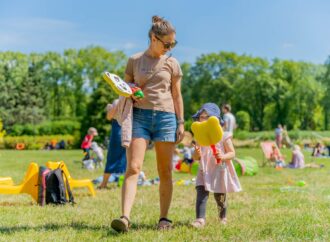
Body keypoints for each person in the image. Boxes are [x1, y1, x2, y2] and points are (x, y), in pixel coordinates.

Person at [111, 15, 184, 233]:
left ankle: (164, 219)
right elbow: (123, 87)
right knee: (133, 168)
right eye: (167, 44)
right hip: (140, 117)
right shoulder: (134, 60)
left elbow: (177, 95)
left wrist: (180, 122)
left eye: (173, 44)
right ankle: (124, 218)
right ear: (154, 38)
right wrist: (130, 90)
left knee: (165, 171)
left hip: (166, 118)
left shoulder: (172, 63)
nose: (169, 48)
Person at [190, 103, 241, 228]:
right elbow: (195, 158)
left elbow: (232, 153)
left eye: (208, 117)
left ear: (216, 119)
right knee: (201, 192)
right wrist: (196, 153)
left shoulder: (223, 136)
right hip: (204, 169)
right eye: (202, 117)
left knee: (220, 195)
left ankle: (222, 217)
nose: (205, 120)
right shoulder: (199, 137)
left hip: (219, 170)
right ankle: (200, 219)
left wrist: (223, 156)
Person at [98, 100, 127, 189]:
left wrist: (111, 109)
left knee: (113, 157)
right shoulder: (133, 100)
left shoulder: (118, 101)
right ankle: (123, 183)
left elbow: (109, 116)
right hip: (129, 129)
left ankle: (104, 184)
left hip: (119, 129)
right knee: (127, 158)